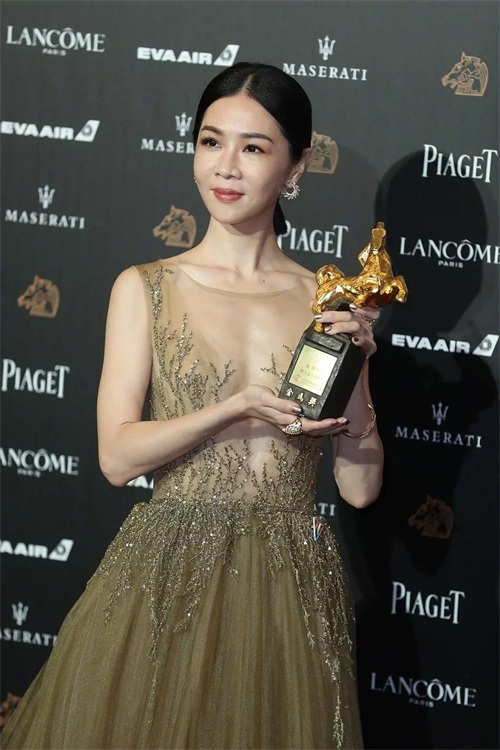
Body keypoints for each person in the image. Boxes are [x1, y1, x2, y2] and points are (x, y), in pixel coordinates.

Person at [2, 62, 383, 749]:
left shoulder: (324, 300)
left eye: (253, 147)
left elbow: (359, 488)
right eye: (211, 141)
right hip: (167, 574)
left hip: (288, 585)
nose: (225, 166)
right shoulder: (147, 287)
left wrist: (357, 366)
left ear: (296, 165)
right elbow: (116, 458)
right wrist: (234, 407)